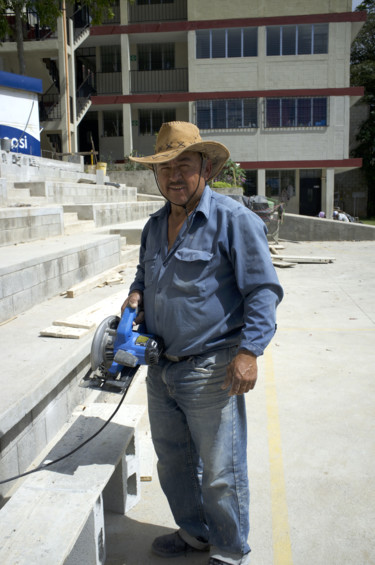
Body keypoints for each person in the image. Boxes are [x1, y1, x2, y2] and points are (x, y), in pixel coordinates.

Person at [121, 122, 283, 565]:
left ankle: (230, 550)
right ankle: (195, 534)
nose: (174, 176)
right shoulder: (154, 226)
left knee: (220, 472)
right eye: (165, 167)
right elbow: (144, 276)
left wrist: (249, 352)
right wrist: (136, 295)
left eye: (184, 166)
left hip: (212, 368)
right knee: (173, 464)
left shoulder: (234, 221)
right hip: (162, 368)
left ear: (205, 168)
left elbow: (263, 291)